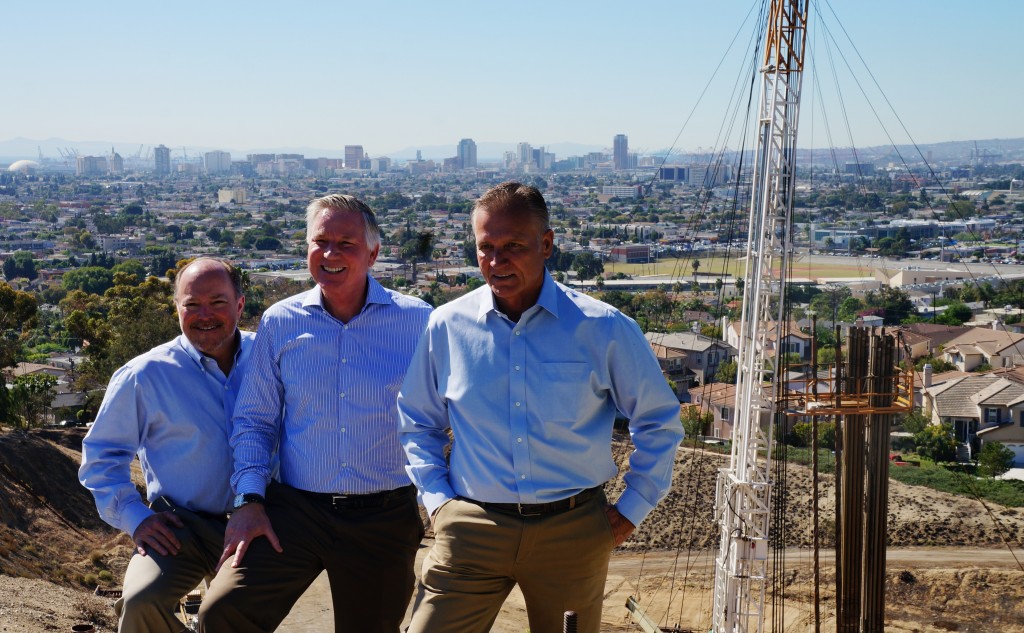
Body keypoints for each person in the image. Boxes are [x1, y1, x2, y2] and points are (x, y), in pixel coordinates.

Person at [398, 181, 684, 633]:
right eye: (485, 247)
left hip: (571, 532)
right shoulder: (447, 325)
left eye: (513, 246)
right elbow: (417, 422)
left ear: (546, 244)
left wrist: (631, 510)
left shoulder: (603, 328)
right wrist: (439, 504)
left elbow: (659, 421)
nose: (496, 261)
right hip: (470, 528)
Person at [199, 194, 432, 633]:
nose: (330, 254)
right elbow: (255, 421)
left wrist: (439, 500)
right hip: (295, 511)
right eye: (320, 241)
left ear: (374, 253)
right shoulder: (280, 321)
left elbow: (441, 419)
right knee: (223, 612)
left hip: (383, 517)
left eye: (346, 242)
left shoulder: (418, 321)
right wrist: (248, 500)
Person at [79, 258, 252, 633]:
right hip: (181, 528)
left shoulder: (269, 359)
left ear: (240, 304)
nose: (204, 314)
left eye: (218, 302)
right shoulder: (144, 375)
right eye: (191, 304)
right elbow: (101, 458)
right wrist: (136, 518)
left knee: (228, 616)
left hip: (260, 523)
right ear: (177, 309)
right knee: (141, 605)